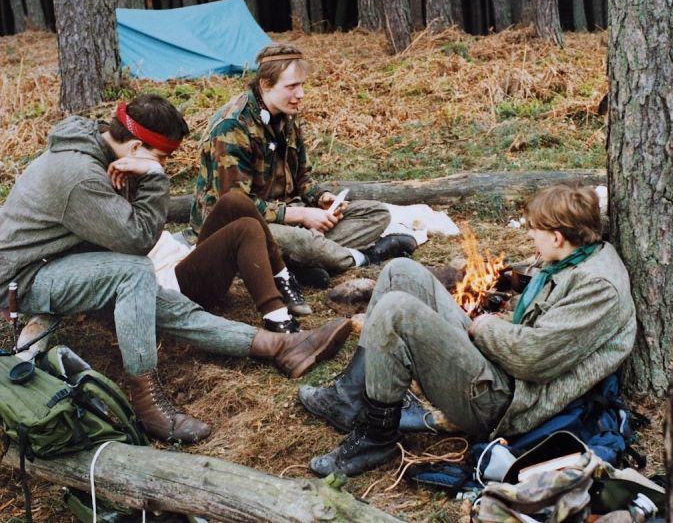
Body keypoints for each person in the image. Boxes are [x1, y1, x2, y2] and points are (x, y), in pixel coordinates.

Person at [0, 95, 352, 445]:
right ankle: (148, 404)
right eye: (161, 158)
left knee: (161, 300)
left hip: (61, 260)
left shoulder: (98, 147)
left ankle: (279, 346)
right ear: (135, 145)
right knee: (134, 271)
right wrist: (153, 178)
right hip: (24, 279)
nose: (163, 165)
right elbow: (137, 240)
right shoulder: (79, 176)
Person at [299, 184, 637, 476]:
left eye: (535, 230)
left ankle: (376, 438)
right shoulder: (578, 256)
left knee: (395, 312)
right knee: (400, 272)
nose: (530, 236)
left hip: (506, 403)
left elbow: (533, 358)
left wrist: (488, 327)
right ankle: (346, 398)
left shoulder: (598, 287)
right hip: (503, 370)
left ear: (557, 236)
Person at [190, 43, 417, 288]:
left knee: (375, 214)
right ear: (265, 84)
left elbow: (302, 179)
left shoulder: (287, 115)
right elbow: (235, 205)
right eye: (291, 87)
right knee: (303, 242)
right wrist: (301, 215)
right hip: (238, 228)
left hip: (289, 217)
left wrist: (322, 198)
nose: (301, 94)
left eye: (302, 85)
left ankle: (297, 263)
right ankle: (363, 257)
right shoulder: (233, 126)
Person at [150, 189, 313, 332]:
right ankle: (277, 319)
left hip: (179, 257)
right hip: (172, 286)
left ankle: (282, 276)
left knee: (234, 200)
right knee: (246, 229)